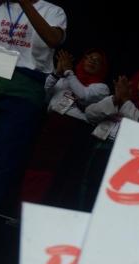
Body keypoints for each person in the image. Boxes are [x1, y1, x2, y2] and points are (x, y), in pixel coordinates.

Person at [0, 0, 66, 212]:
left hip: (23, 88)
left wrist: (25, 3)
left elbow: (53, 39)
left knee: (3, 154)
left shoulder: (53, 11)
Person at [19, 48, 109, 207]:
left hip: (75, 130)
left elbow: (83, 95)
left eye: (97, 61)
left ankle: (47, 210)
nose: (92, 61)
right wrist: (55, 74)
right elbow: (45, 94)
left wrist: (68, 72)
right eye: (89, 57)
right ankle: (25, 207)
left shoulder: (101, 87)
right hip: (52, 123)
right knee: (37, 166)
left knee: (61, 173)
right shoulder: (65, 78)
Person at [79, 67, 139, 209]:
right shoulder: (117, 96)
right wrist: (115, 100)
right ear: (138, 77)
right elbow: (90, 114)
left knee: (106, 196)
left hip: (125, 156)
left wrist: (125, 102)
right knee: (86, 189)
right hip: (99, 145)